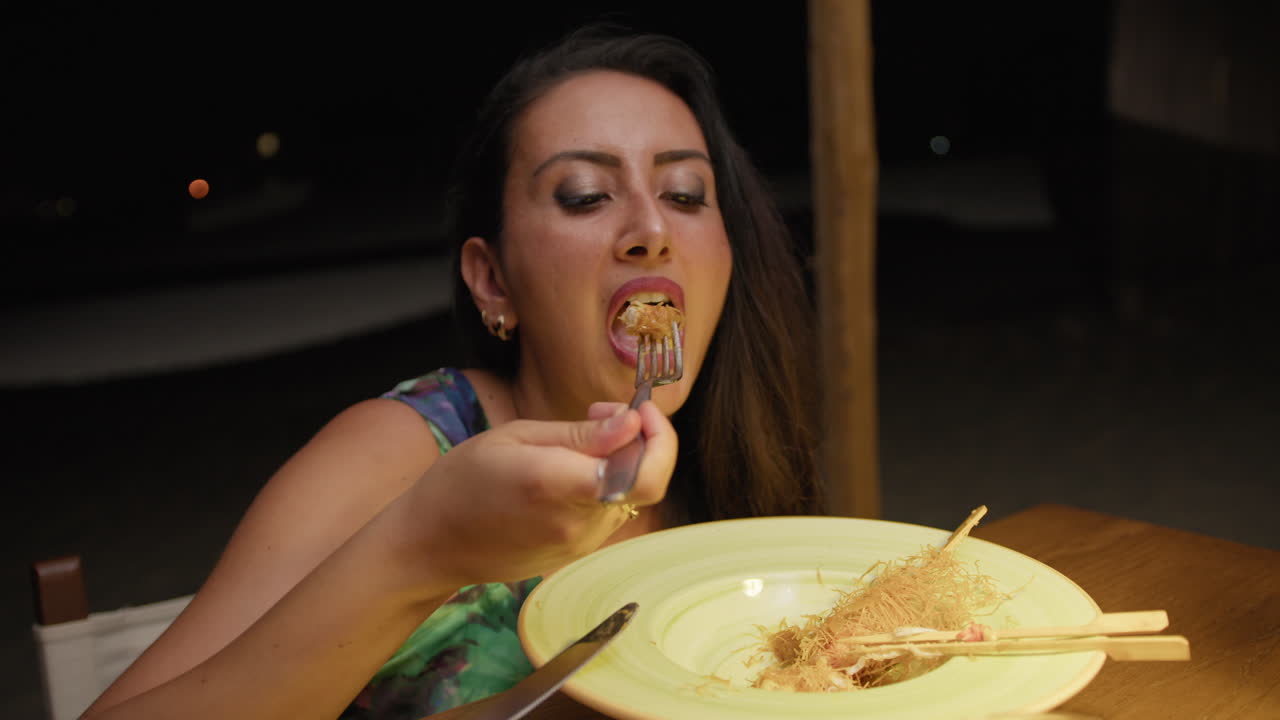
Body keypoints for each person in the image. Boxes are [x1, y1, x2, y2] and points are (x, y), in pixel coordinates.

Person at [82, 22, 824, 720]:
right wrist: (419, 549)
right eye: (584, 196)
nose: (651, 230)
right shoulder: (400, 453)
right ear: (493, 281)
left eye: (686, 194)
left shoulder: (737, 468)